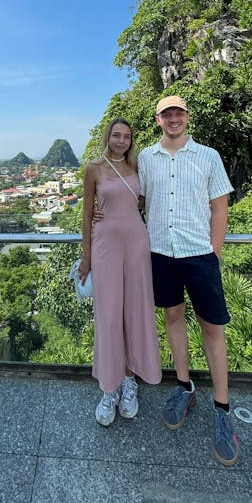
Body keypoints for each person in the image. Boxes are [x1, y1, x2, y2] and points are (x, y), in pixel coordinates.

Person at [138, 95, 239, 466]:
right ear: (158, 118)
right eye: (167, 113)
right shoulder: (147, 158)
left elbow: (220, 207)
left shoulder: (208, 156)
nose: (174, 118)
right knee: (173, 319)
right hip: (162, 253)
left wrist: (214, 252)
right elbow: (137, 199)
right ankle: (184, 386)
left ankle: (223, 408)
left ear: (187, 116)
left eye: (179, 112)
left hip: (200, 255)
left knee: (212, 328)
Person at [80, 118, 161, 426]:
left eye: (127, 136)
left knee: (134, 313)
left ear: (131, 140)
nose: (121, 140)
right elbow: (87, 214)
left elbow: (142, 199)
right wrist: (86, 259)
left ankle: (129, 382)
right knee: (109, 315)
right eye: (116, 135)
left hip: (137, 245)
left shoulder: (137, 168)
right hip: (105, 247)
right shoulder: (94, 169)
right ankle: (109, 388)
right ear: (108, 137)